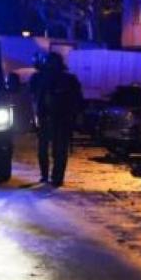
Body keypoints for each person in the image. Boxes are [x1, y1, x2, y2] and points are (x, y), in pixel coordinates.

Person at [36, 51, 83, 187]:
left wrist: (74, 116)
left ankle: (56, 178)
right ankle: (46, 176)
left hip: (62, 119)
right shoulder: (42, 78)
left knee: (59, 150)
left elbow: (77, 100)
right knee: (45, 150)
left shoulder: (68, 80)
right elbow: (37, 97)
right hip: (47, 118)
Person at [29, 52, 52, 183]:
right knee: (51, 148)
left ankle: (46, 175)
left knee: (44, 148)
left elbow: (33, 97)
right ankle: (52, 176)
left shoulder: (37, 78)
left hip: (46, 115)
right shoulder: (37, 78)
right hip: (48, 115)